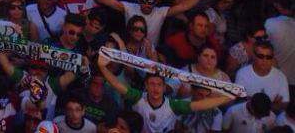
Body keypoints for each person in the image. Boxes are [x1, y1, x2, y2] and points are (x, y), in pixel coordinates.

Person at [97, 46, 232, 133]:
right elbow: (116, 84)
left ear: (163, 87)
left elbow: (201, 105)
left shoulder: (173, 105)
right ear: (146, 86)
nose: (155, 88)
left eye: (159, 84)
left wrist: (227, 98)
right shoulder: (137, 97)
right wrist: (102, 67)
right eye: (152, 84)